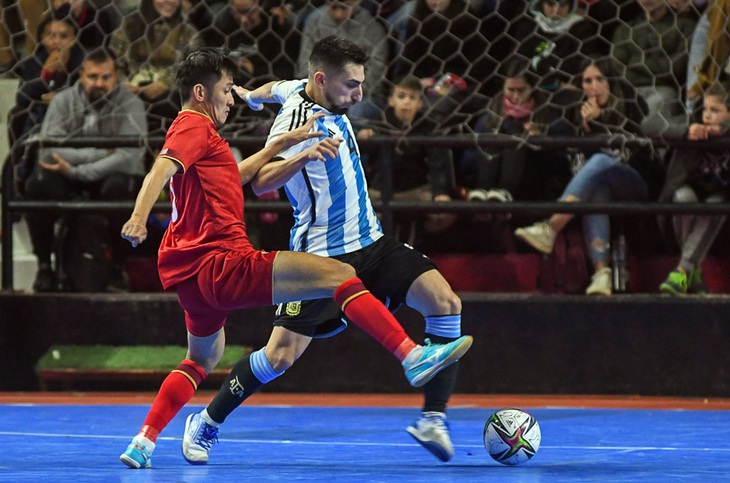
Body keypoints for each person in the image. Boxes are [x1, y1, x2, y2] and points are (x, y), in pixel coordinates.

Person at [118, 46, 473, 469]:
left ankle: (144, 439)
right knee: (303, 323)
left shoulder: (228, 128)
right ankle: (410, 356)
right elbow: (170, 170)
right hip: (237, 259)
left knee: (201, 359)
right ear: (201, 92)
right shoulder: (195, 125)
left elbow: (239, 169)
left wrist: (258, 105)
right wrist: (139, 218)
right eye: (227, 91)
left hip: (207, 273)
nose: (231, 98)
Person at [514, 57, 663, 296]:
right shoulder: (574, 114)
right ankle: (601, 272)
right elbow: (560, 156)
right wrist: (539, 138)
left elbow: (628, 154)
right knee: (597, 189)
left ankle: (551, 227)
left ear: (611, 82)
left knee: (601, 162)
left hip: (632, 185)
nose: (593, 86)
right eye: (587, 81)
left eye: (599, 79)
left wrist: (599, 124)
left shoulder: (631, 107)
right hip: (597, 191)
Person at [23, 48, 147, 293]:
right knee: (36, 184)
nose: (99, 83)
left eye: (106, 77)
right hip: (68, 176)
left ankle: (118, 269)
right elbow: (48, 151)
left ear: (117, 77)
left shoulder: (131, 103)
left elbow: (129, 158)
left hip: (104, 177)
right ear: (81, 76)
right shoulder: (63, 100)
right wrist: (104, 153)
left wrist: (78, 170)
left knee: (122, 186)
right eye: (92, 77)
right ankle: (44, 267)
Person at [358, 74, 457, 245]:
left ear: (420, 103)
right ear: (391, 100)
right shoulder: (378, 124)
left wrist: (440, 192)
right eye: (401, 96)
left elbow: (437, 163)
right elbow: (361, 161)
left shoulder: (428, 127)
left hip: (415, 190)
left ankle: (411, 252)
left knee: (443, 212)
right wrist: (364, 140)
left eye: (412, 98)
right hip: (381, 191)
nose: (406, 102)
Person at [657, 81, 730, 295]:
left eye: (715, 110)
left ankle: (682, 271)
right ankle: (692, 270)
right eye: (705, 109)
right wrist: (686, 131)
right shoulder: (694, 124)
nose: (706, 115)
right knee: (683, 198)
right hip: (689, 192)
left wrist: (723, 134)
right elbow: (649, 125)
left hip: (720, 198)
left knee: (715, 206)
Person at [6, 4, 84, 186]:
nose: (57, 42)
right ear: (41, 38)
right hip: (37, 117)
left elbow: (86, 94)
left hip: (72, 117)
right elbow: (23, 98)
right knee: (18, 116)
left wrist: (60, 96)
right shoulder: (35, 61)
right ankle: (22, 173)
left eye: (64, 36)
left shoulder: (82, 61)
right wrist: (46, 73)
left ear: (74, 38)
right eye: (51, 35)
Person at [108, 0, 203, 134]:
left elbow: (196, 66)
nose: (169, 1)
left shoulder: (188, 32)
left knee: (168, 101)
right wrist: (124, 83)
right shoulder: (129, 26)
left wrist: (165, 83)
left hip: (172, 92)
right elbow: (113, 60)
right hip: (131, 88)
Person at [611, 0, 696, 136]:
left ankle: (653, 155)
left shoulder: (685, 26)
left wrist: (636, 61)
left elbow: (676, 68)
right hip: (628, 91)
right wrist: (657, 66)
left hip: (663, 91)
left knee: (653, 117)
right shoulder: (624, 30)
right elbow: (617, 68)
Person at [297, 0, 388, 124]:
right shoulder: (315, 23)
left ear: (355, 3)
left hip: (362, 95)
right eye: (334, 7)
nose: (339, 13)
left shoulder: (372, 28)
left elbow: (377, 72)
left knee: (357, 112)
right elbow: (305, 65)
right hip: (322, 90)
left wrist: (347, 91)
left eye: (344, 8)